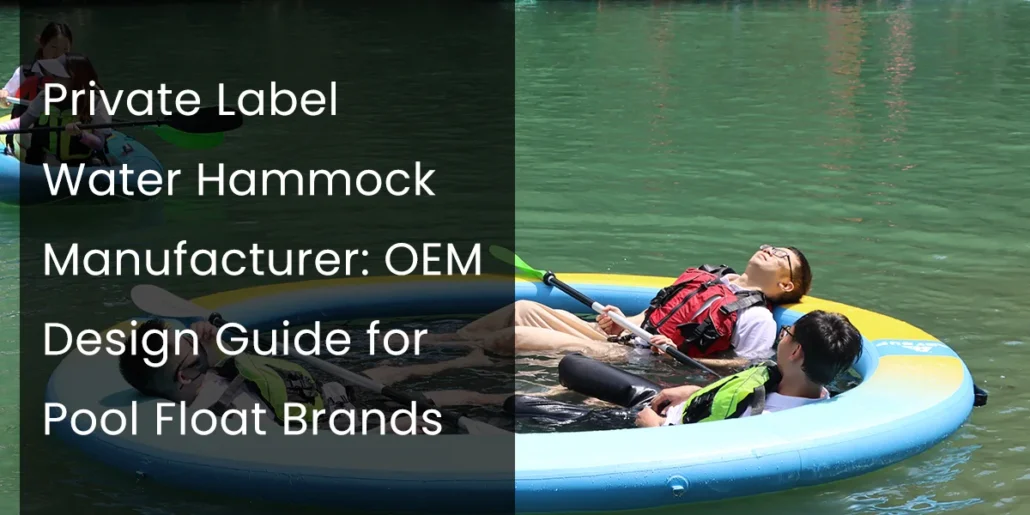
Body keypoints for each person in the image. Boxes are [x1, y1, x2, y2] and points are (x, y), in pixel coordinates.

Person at [429, 245, 812, 370]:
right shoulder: (714, 277)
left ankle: (436, 363)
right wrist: (620, 319)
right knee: (523, 308)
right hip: (624, 339)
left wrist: (672, 352)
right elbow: (657, 314)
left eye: (781, 255)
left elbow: (746, 368)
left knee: (516, 336)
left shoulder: (757, 317)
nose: (769, 248)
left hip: (643, 361)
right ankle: (439, 341)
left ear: (785, 284)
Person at [118, 319, 508, 434]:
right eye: (185, 343)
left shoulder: (200, 377)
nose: (193, 338)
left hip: (322, 393)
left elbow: (237, 371)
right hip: (333, 419)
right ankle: (500, 403)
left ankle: (466, 358)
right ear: (184, 375)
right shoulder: (224, 415)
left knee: (391, 371)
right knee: (426, 410)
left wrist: (213, 342)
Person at [510, 310, 863, 429]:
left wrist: (654, 426)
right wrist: (692, 392)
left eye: (786, 334)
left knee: (519, 406)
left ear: (797, 351)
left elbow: (700, 451)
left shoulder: (768, 422)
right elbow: (733, 396)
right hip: (674, 402)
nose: (781, 338)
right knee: (573, 364)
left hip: (651, 425)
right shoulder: (807, 387)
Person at [0, 53, 112, 165]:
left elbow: (99, 143)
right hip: (44, 158)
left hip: (80, 162)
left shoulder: (97, 101)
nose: (52, 78)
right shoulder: (45, 95)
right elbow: (22, 123)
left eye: (58, 76)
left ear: (75, 79)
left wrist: (81, 134)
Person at [0, 22, 74, 112]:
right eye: (54, 47)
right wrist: (3, 98)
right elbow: (5, 101)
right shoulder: (25, 72)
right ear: (42, 44)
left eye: (65, 49)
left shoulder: (77, 73)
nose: (59, 54)